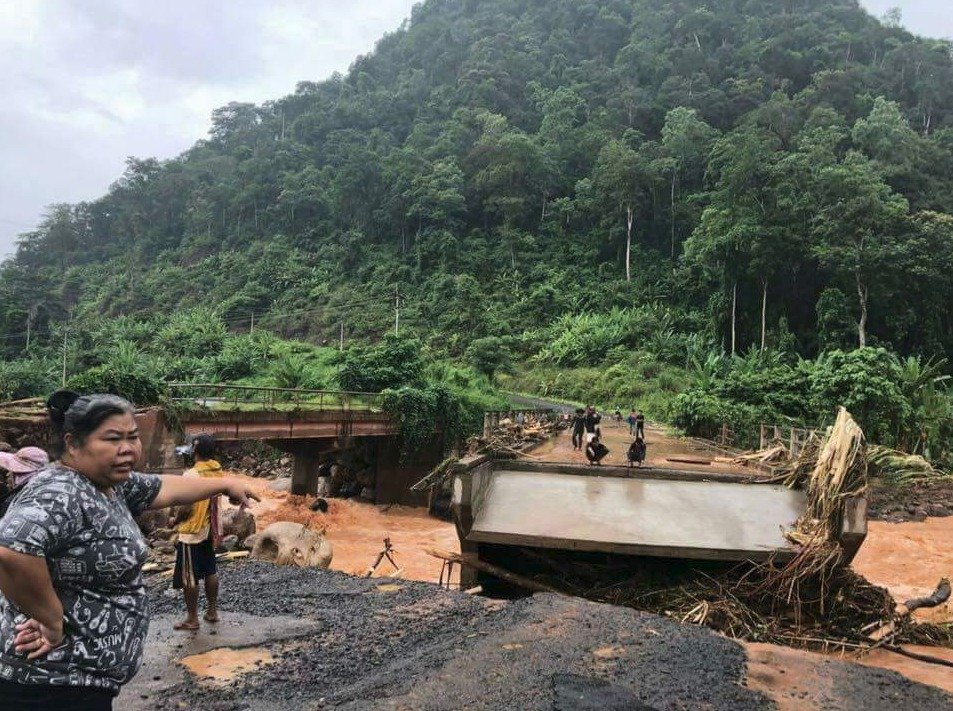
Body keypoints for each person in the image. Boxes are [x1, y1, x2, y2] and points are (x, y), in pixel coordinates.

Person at [0, 391, 260, 709]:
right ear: (72, 443)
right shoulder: (59, 492)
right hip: (52, 685)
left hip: (83, 682)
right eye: (112, 439)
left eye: (132, 436)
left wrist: (223, 484)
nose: (127, 449)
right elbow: (11, 552)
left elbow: (163, 487)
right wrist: (52, 619)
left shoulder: (107, 483)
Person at [170, 434, 224, 631]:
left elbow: (185, 507)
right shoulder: (217, 470)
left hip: (192, 531)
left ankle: (192, 618)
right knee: (210, 569)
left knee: (188, 576)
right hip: (211, 528)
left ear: (195, 450)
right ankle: (212, 611)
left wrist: (174, 521)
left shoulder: (192, 475)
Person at [0, 447, 50, 517]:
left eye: (11, 471)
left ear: (19, 475)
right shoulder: (44, 495)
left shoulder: (14, 503)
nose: (7, 474)